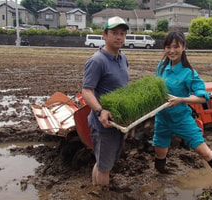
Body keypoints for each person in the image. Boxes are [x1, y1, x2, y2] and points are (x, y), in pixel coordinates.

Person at [153, 31, 212, 196]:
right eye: (168, 46)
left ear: (184, 47)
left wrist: (181, 99)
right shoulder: (161, 67)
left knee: (203, 151)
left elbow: (203, 97)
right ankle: (161, 180)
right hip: (162, 118)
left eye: (176, 46)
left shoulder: (189, 72)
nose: (171, 50)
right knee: (160, 152)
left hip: (181, 118)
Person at [81, 16, 129, 190]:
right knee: (104, 167)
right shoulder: (97, 61)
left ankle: (96, 190)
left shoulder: (123, 58)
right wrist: (100, 110)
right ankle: (102, 194)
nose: (119, 37)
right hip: (103, 124)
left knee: (104, 164)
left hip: (117, 123)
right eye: (114, 33)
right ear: (104, 35)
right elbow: (86, 91)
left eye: (122, 33)